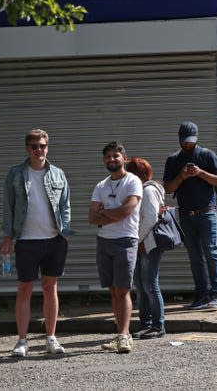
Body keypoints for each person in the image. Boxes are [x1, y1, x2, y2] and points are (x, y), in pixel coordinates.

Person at [1, 129, 71, 357]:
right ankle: (22, 341)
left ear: (47, 148)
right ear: (27, 149)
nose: (38, 150)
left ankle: (51, 338)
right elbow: (8, 207)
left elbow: (65, 206)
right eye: (33, 146)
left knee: (51, 287)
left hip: (53, 240)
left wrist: (65, 232)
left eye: (42, 146)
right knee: (25, 288)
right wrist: (7, 237)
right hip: (26, 241)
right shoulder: (16, 174)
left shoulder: (58, 173)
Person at [163, 122, 217, 310]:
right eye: (184, 141)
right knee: (195, 256)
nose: (187, 145)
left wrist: (200, 173)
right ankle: (201, 295)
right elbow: (167, 188)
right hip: (185, 213)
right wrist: (181, 176)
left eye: (190, 141)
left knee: (211, 252)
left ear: (197, 138)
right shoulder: (173, 160)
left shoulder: (207, 155)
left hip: (206, 212)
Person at [88, 142, 142, 353]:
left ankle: (123, 335)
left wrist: (105, 213)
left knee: (123, 289)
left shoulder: (133, 181)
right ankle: (123, 333)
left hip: (125, 239)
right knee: (112, 291)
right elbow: (92, 218)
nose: (112, 159)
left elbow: (127, 211)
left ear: (125, 159)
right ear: (104, 160)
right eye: (108, 156)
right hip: (104, 241)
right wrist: (112, 213)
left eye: (115, 156)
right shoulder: (101, 186)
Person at [125, 157, 167, 339]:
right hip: (142, 245)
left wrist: (136, 239)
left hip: (148, 245)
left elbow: (150, 219)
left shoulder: (149, 191)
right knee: (141, 286)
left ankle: (158, 325)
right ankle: (146, 324)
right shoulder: (141, 190)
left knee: (150, 285)